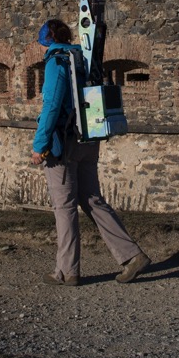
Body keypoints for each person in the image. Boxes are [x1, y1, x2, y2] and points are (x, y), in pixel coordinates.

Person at [31, 18, 150, 286]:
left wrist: (39, 146)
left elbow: (51, 106)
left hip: (64, 144)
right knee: (93, 199)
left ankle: (67, 271)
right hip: (89, 137)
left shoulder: (56, 62)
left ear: (47, 41)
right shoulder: (84, 58)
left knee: (64, 207)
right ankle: (132, 256)